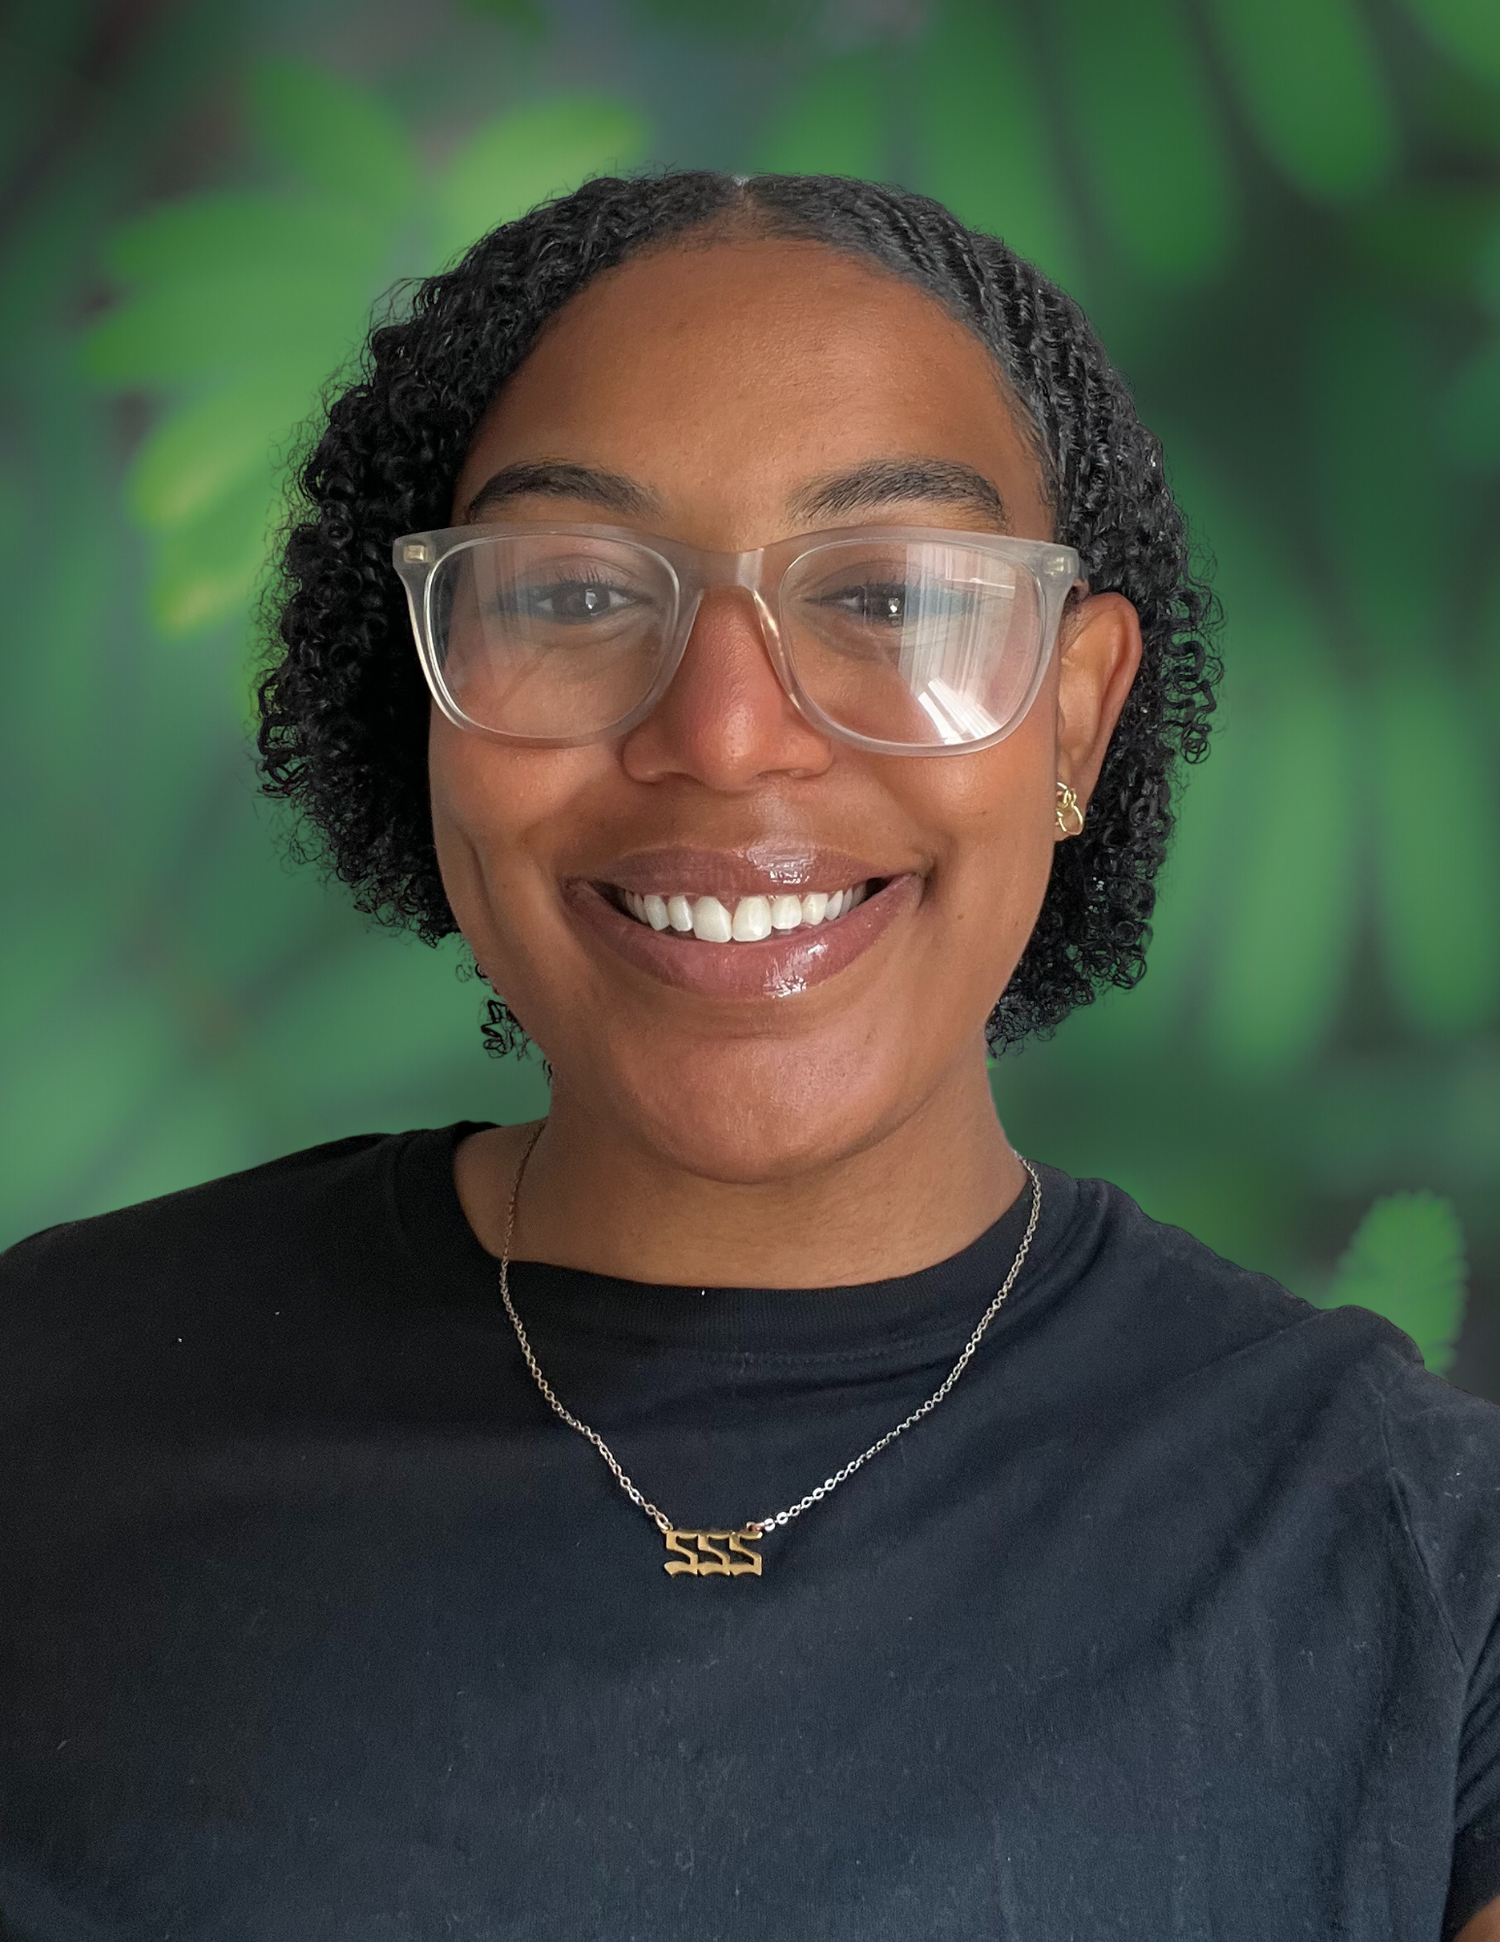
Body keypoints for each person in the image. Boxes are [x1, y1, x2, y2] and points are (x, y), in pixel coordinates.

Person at [2, 168, 1497, 1942]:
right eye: (574, 594)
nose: (724, 733)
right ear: (430, 697)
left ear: (1076, 718)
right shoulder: (49, 1407)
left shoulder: (1419, 1566)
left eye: (891, 596)